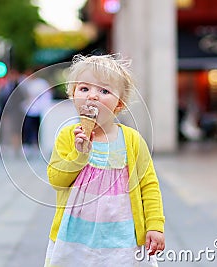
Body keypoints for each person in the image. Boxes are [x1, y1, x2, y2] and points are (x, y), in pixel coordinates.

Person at [45, 54, 165, 266]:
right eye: (84, 89)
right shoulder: (67, 136)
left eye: (104, 91)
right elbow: (56, 179)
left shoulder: (132, 140)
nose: (93, 96)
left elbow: (149, 185)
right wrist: (80, 154)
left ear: (119, 104)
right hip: (75, 236)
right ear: (73, 96)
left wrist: (155, 225)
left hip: (122, 237)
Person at [22, 68, 53, 156]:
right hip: (29, 110)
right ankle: (28, 145)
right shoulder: (27, 83)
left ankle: (37, 145)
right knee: (28, 128)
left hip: (40, 110)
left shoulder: (41, 83)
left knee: (38, 129)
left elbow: (47, 95)